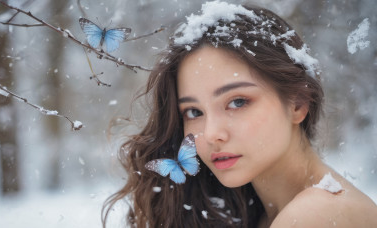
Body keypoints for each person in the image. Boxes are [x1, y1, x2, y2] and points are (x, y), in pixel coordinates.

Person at [102, 1, 377, 227]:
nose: (211, 134)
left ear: (298, 103)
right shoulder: (258, 212)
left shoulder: (318, 215)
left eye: (237, 102)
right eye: (194, 111)